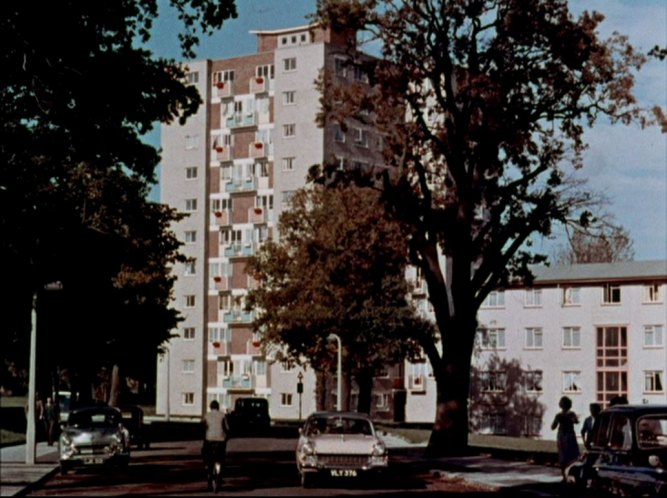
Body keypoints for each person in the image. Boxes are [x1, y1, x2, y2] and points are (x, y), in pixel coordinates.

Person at [202, 400, 230, 491]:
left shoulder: (206, 415)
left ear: (210, 407)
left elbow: (202, 426)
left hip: (209, 440)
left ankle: (207, 466)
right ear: (218, 407)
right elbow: (227, 428)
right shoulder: (222, 415)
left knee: (205, 453)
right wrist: (227, 437)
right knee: (221, 457)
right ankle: (220, 471)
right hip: (220, 440)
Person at [551, 396, 580, 481]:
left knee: (565, 456)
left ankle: (565, 475)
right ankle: (566, 475)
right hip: (566, 436)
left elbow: (553, 427)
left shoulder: (565, 415)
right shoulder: (568, 414)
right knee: (568, 456)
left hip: (565, 436)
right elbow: (576, 422)